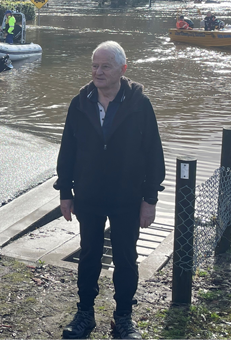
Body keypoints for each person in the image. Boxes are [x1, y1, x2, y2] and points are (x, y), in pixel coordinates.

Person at [55, 40, 165, 340]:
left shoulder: (139, 104)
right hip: (88, 196)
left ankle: (123, 318)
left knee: (126, 258)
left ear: (122, 69)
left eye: (105, 66)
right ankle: (85, 314)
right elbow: (68, 151)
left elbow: (154, 153)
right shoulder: (80, 102)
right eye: (94, 66)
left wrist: (150, 199)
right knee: (89, 255)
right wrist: (65, 192)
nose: (98, 72)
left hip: (127, 198)